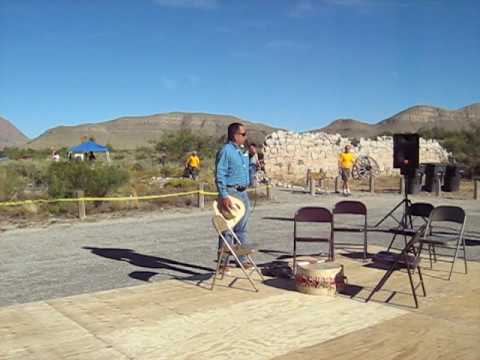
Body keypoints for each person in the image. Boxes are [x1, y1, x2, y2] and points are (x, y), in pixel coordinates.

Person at [215, 122, 252, 271]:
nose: (245, 137)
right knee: (227, 229)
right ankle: (222, 263)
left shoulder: (242, 151)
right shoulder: (226, 151)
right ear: (235, 135)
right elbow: (219, 174)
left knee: (242, 228)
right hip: (231, 193)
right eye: (243, 134)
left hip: (243, 193)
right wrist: (224, 195)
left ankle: (241, 259)